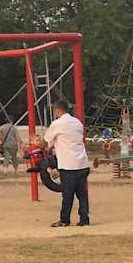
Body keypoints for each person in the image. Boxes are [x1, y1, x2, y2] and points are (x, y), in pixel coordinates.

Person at [39, 97, 90, 227]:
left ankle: (65, 220)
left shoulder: (57, 124)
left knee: (67, 194)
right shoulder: (77, 123)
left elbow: (44, 143)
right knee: (82, 194)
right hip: (82, 163)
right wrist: (52, 146)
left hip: (68, 165)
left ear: (57, 110)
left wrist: (39, 145)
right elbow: (67, 139)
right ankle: (84, 218)